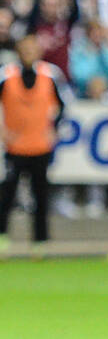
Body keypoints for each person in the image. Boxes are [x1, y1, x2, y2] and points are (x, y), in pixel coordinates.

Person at [0, 35, 66, 250]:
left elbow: (64, 105)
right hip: (14, 146)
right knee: (6, 195)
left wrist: (54, 130)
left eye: (32, 49)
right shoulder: (6, 74)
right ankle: (2, 238)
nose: (28, 53)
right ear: (18, 51)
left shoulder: (50, 74)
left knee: (41, 196)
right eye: (24, 49)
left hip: (40, 145)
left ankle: (40, 241)